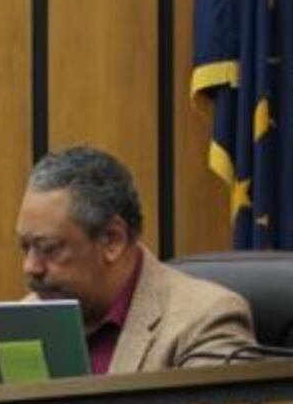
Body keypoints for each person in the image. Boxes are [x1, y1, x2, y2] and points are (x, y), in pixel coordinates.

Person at [16, 146, 255, 373]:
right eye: (25, 248)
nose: (30, 267)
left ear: (112, 240)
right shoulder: (19, 322)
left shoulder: (204, 320)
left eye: (49, 248)